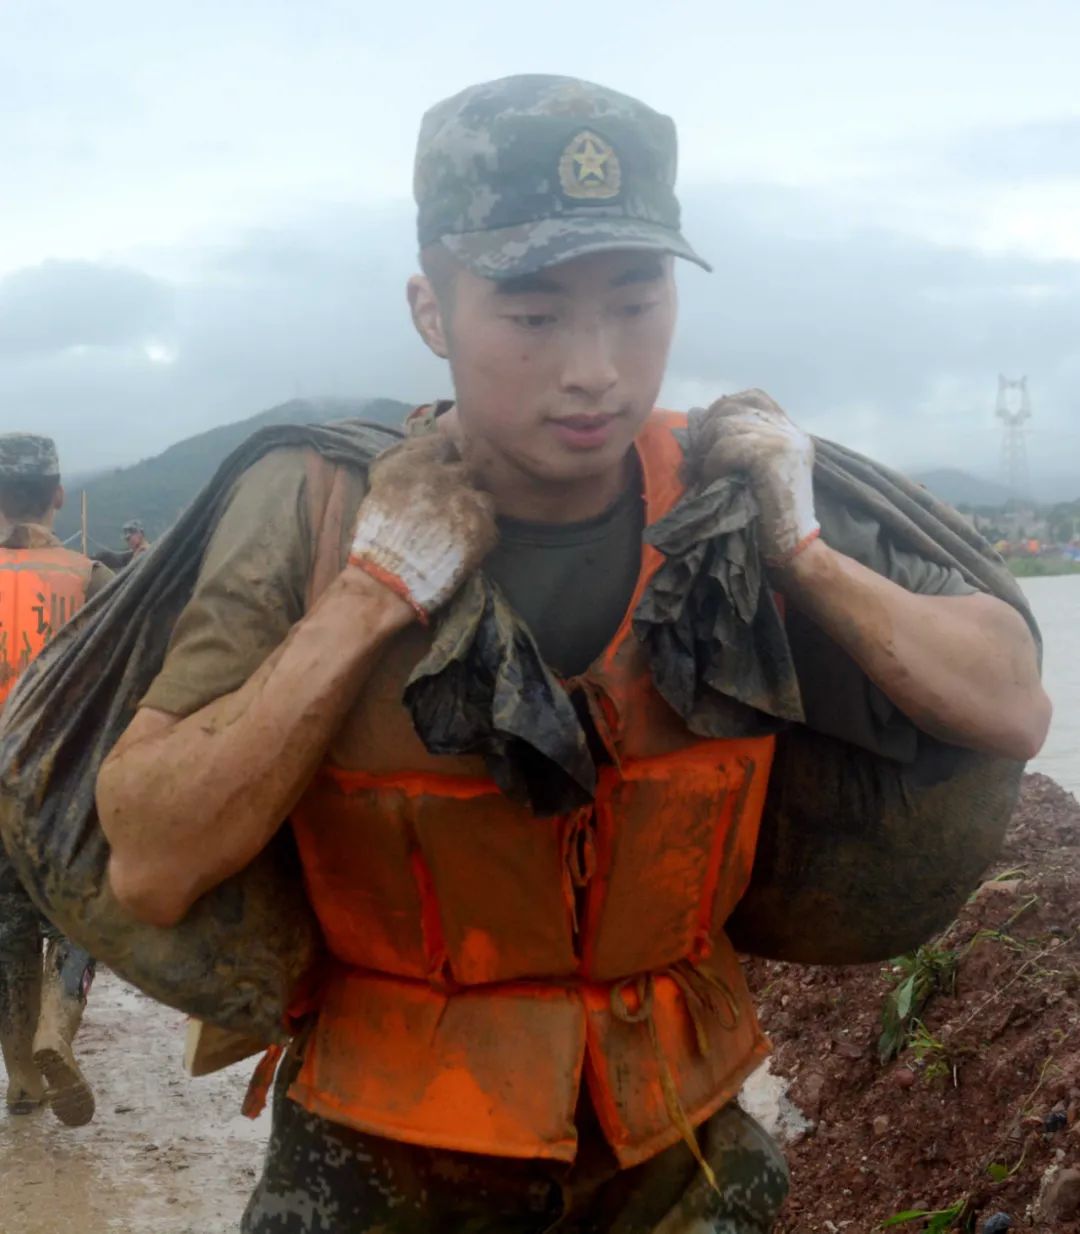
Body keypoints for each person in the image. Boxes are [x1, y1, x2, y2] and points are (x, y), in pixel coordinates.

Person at [94, 76, 1050, 1232]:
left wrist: (805, 551)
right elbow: (149, 856)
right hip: (381, 1152)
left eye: (635, 303)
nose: (594, 366)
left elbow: (1010, 708)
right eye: (534, 315)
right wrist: (365, 597)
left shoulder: (732, 490)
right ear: (431, 311)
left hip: (676, 1147)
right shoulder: (307, 504)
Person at [0, 433, 110, 1126]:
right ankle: (57, 1028)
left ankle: (20, 1079)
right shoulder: (92, 577)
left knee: (6, 928)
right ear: (59, 496)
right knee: (82, 914)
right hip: (67, 778)